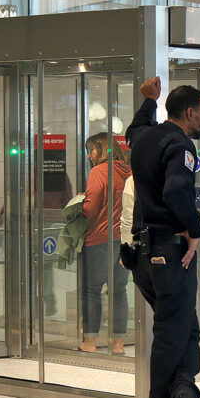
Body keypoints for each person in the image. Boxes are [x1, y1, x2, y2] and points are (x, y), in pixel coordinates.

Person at [125, 76, 200, 398]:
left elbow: (134, 129)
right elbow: (176, 192)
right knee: (174, 336)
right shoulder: (181, 146)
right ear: (190, 113)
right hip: (169, 254)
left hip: (142, 255)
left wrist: (148, 100)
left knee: (184, 328)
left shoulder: (146, 136)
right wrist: (195, 232)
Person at [74, 133, 131, 354]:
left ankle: (90, 341)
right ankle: (118, 344)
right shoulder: (128, 171)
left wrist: (82, 201)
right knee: (119, 291)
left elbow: (90, 208)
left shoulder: (99, 171)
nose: (89, 155)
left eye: (92, 150)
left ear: (104, 149)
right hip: (123, 239)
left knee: (92, 290)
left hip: (99, 238)